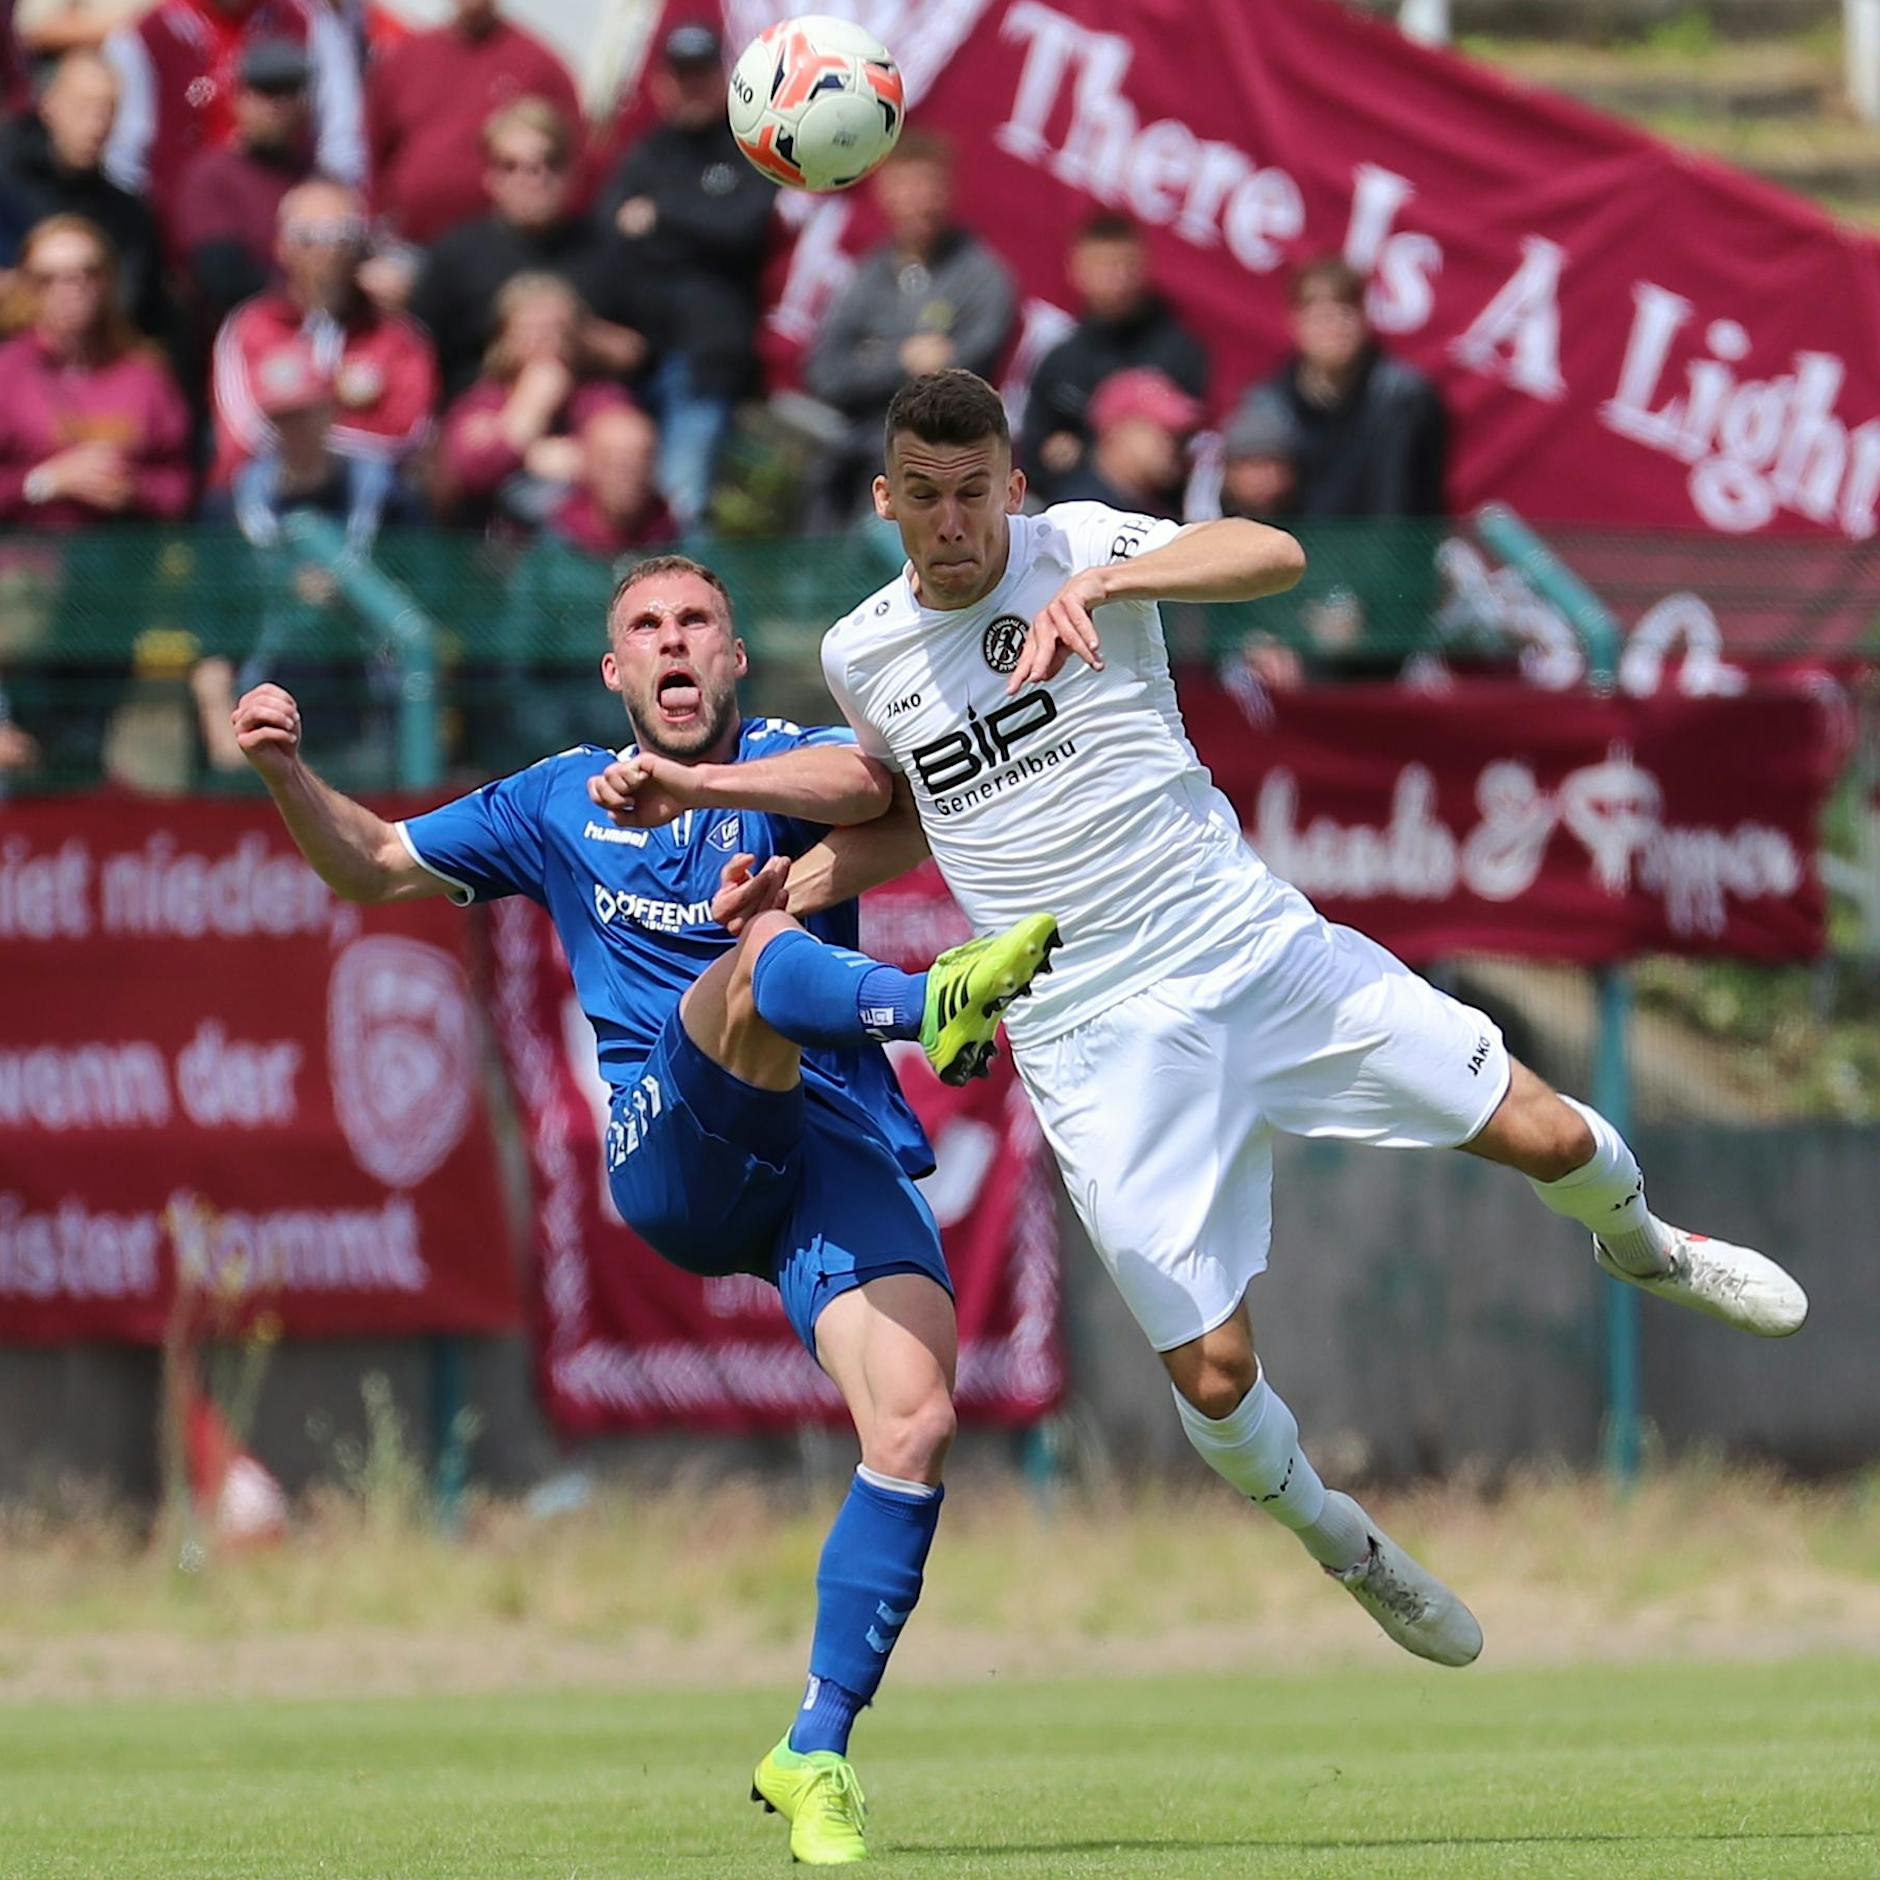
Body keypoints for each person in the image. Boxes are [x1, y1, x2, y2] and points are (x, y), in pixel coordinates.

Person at [624, 369, 1811, 1672]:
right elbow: (913, 811)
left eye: (975, 494)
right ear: (885, 501)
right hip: (1087, 1030)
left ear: (1011, 489)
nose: (954, 521)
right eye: (926, 498)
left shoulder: (1079, 540)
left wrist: (1111, 586)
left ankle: (1645, 1248)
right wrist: (790, 880)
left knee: (1543, 1133)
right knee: (1216, 1379)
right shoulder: (867, 652)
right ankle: (1341, 1540)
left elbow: (1273, 550)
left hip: (1246, 946)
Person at [231, 553, 1059, 1866]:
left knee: (915, 1420)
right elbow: (378, 861)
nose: (676, 646)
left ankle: (816, 1750)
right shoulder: (559, 797)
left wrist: (710, 795)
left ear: (734, 659)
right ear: (618, 670)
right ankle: (930, 1009)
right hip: (670, 1151)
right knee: (760, 948)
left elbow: (879, 790)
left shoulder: (781, 763)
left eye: (698, 626)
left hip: (819, 1146)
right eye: (648, 630)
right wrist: (286, 772)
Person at [596, 19, 775, 528]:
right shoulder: (647, 151)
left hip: (705, 361)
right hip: (634, 357)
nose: (690, 86)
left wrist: (661, 217)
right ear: (661, 82)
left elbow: (742, 227)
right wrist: (691, 227)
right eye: (681, 75)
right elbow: (609, 231)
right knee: (616, 503)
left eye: (702, 74)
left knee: (681, 501)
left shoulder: (745, 151)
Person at [803, 131, 1014, 522]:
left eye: (927, 186)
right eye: (905, 186)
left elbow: (958, 382)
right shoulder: (869, 272)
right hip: (850, 454)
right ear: (885, 195)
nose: (917, 201)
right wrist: (900, 361)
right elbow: (826, 373)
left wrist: (872, 355)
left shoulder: (983, 278)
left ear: (948, 192)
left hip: (934, 469)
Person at [409, 96, 651, 404]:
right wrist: (509, 351)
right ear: (490, 177)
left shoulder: (607, 250)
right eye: (512, 166)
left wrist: (574, 337)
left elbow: (644, 353)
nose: (534, 179)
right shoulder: (455, 257)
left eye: (549, 163)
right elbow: (422, 359)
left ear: (572, 171)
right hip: (484, 416)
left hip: (590, 412)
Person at [210, 178, 437, 496]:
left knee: (374, 481)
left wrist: (322, 447)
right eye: (308, 236)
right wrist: (311, 453)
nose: (327, 250)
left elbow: (408, 434)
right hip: (270, 483)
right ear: (281, 246)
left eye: (342, 234)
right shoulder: (249, 327)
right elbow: (244, 430)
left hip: (371, 490)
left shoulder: (398, 338)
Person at [101, 0, 363, 237]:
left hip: (290, 236)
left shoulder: (304, 19)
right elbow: (125, 157)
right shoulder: (149, 33)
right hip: (175, 237)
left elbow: (342, 142)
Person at [0, 214, 192, 527]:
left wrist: (133, 489)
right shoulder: (8, 371)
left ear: (109, 281)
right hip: (25, 558)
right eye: (48, 278)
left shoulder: (144, 374)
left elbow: (178, 484)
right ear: (27, 287)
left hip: (126, 557)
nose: (70, 289)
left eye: (87, 273)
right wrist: (44, 482)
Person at [1222, 254, 1447, 519]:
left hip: (1381, 550)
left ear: (1365, 319)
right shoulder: (1268, 405)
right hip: (1295, 547)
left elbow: (1402, 503)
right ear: (1295, 322)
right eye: (1319, 317)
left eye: (1344, 314)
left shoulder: (1402, 399)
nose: (1332, 329)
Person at [1018, 212, 1208, 503]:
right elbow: (1032, 449)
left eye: (1126, 266)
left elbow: (1176, 454)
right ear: (1076, 270)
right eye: (1105, 267)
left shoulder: (1177, 352)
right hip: (1063, 506)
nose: (1117, 280)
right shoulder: (1062, 359)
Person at [366, 0, 582, 249]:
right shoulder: (405, 59)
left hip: (507, 256)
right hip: (408, 254)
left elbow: (576, 163)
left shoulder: (540, 67)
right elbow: (373, 154)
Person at [434, 271, 630, 534]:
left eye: (553, 330)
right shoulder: (481, 401)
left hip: (580, 552)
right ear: (504, 338)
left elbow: (623, 469)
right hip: (491, 552)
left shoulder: (601, 397)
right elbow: (473, 474)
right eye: (528, 331)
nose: (540, 341)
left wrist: (505, 438)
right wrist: (531, 408)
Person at [0, 48, 163, 336]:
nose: (96, 124)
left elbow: (131, 304)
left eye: (108, 110)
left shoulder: (126, 214)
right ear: (48, 105)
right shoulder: (6, 177)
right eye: (83, 107)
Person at [171, 37, 316, 343]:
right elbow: (222, 279)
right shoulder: (212, 176)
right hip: (236, 341)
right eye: (266, 92)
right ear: (239, 99)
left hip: (315, 340)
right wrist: (315, 290)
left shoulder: (316, 178)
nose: (279, 106)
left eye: (290, 92)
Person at [1050, 366, 1199, 520]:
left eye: (1178, 435)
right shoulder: (1082, 513)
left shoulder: (1149, 505)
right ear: (1117, 430)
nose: (1175, 444)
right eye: (1164, 430)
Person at [545, 403, 676, 558]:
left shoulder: (679, 541)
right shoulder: (551, 547)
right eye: (612, 462)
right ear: (587, 465)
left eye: (639, 461)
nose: (627, 476)